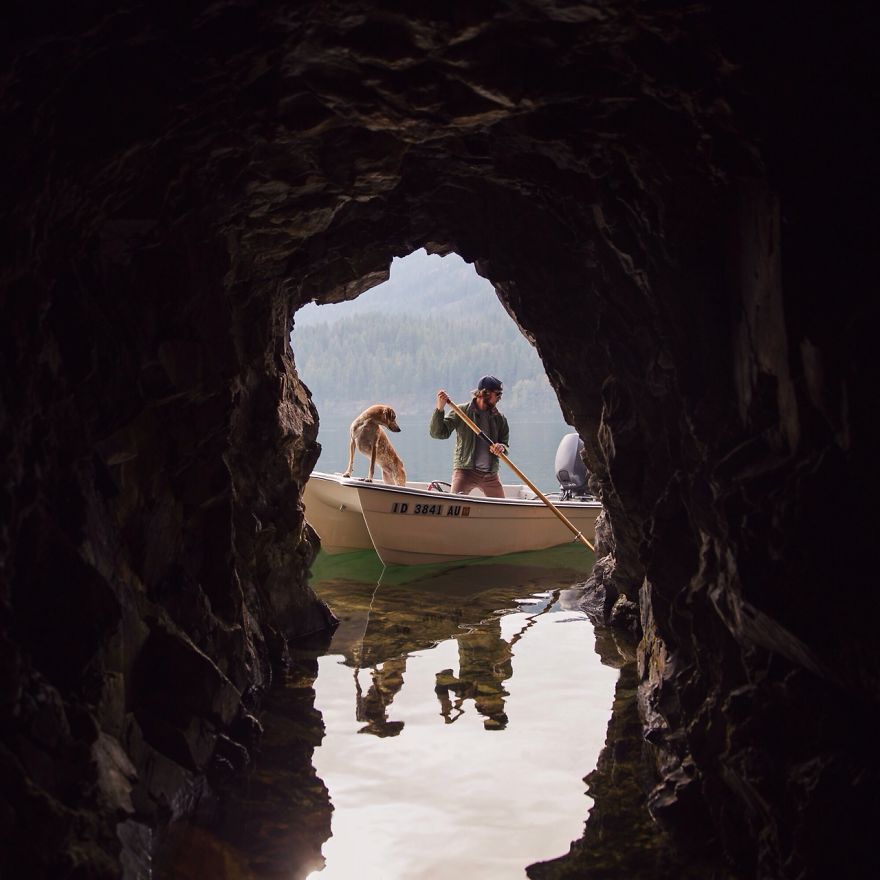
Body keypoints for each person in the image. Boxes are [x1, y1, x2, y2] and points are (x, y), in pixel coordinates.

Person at [430, 375, 510, 497]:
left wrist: (501, 448)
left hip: (490, 475)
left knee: (502, 506)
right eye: (498, 394)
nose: (500, 398)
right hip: (465, 472)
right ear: (485, 393)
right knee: (454, 504)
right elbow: (438, 433)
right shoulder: (461, 411)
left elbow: (505, 444)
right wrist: (440, 408)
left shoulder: (500, 418)